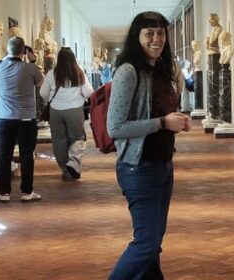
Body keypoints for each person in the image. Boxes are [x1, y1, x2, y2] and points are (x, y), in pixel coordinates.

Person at [107, 11, 191, 280]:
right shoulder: (128, 72)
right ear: (137, 36)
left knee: (153, 243)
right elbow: (115, 128)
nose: (156, 39)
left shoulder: (161, 70)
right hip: (138, 168)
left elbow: (160, 111)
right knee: (145, 243)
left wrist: (176, 121)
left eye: (161, 33)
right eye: (149, 33)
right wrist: (162, 123)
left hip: (162, 165)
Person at [0, 36, 45, 202]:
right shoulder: (31, 69)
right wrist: (32, 60)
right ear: (24, 51)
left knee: (4, 156)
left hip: (4, 118)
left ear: (7, 49)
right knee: (26, 155)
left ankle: (4, 193)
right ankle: (26, 192)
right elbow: (40, 84)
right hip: (26, 119)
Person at [39, 47, 94, 180]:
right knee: (78, 138)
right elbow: (88, 92)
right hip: (75, 109)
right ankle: (73, 162)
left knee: (59, 140)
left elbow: (43, 93)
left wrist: (50, 100)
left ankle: (65, 169)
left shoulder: (52, 73)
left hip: (56, 111)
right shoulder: (78, 73)